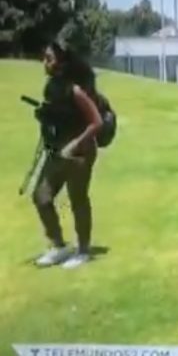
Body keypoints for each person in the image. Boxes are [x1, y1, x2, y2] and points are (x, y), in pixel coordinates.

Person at [31, 42, 104, 269]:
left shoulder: (75, 90)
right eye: (44, 58)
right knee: (41, 196)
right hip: (58, 150)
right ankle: (60, 246)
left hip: (80, 152)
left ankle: (83, 251)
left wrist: (74, 144)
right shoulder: (51, 88)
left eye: (49, 58)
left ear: (61, 62)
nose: (45, 62)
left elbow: (96, 122)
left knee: (78, 199)